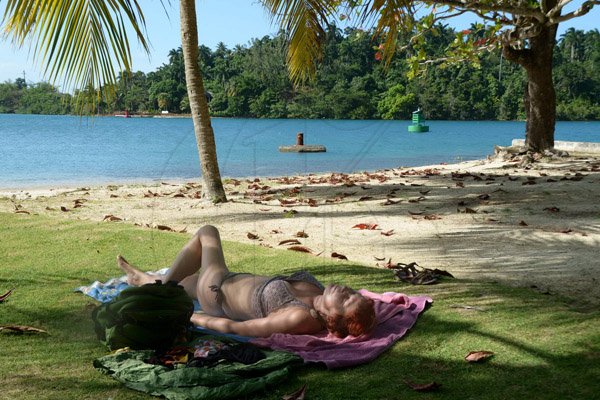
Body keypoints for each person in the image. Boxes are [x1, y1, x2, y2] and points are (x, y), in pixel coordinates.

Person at [118, 225, 376, 338]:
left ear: (332, 317)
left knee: (208, 233)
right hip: (225, 280)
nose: (344, 289)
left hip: (216, 290)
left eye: (345, 299)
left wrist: (193, 317)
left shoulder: (300, 318)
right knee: (184, 282)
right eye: (351, 292)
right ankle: (144, 280)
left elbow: (240, 329)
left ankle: (159, 291)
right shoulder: (319, 291)